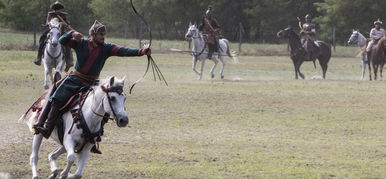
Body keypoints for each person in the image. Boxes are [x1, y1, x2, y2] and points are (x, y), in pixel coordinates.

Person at [33, 20, 151, 153]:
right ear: (93, 34)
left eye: (104, 34)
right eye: (100, 34)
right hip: (75, 79)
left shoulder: (107, 48)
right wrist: (71, 33)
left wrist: (141, 51)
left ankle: (93, 138)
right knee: (57, 98)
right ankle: (47, 128)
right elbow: (62, 40)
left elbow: (124, 50)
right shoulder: (81, 43)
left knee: (105, 108)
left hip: (93, 83)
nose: (103, 36)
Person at [34, 1, 74, 71]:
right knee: (42, 39)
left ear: (60, 9)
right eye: (56, 9)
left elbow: (68, 24)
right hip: (51, 31)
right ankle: (39, 58)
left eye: (58, 9)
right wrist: (51, 23)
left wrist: (63, 23)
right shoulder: (50, 14)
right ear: (54, 9)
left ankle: (68, 62)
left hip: (61, 32)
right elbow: (47, 23)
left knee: (68, 43)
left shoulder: (63, 15)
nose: (57, 11)